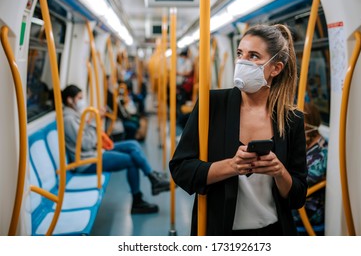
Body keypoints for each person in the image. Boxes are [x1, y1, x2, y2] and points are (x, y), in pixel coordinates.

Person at [169, 24, 308, 236]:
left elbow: (298, 196)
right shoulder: (212, 105)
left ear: (276, 68)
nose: (242, 62)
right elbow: (181, 169)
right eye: (240, 53)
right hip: (219, 231)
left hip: (273, 231)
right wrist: (232, 166)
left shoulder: (291, 120)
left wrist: (279, 172)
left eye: (253, 56)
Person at [62, 84, 170, 214]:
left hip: (94, 152)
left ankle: (152, 176)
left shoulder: (76, 115)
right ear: (69, 99)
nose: (82, 101)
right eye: (79, 98)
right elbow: (85, 143)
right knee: (131, 160)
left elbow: (87, 135)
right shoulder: (69, 119)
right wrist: (96, 125)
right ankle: (138, 199)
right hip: (87, 161)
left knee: (133, 144)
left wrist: (95, 125)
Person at [292, 102, 327, 235]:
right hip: (296, 213)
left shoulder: (321, 152)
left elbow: (303, 180)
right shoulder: (304, 142)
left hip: (309, 218)